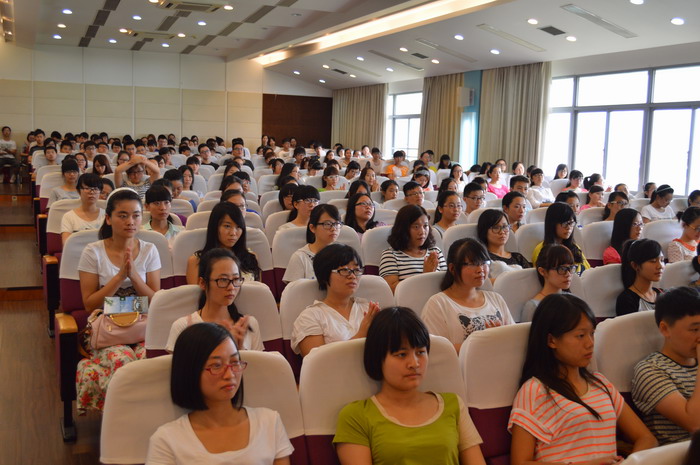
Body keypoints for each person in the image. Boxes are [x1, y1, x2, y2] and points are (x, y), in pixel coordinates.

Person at [509, 294, 657, 465]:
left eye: (592, 334)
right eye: (580, 336)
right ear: (551, 340)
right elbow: (519, 463)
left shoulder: (600, 383)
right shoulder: (535, 390)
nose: (590, 343)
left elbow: (647, 438)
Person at [333, 307, 486, 465]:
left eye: (420, 352)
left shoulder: (453, 404)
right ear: (378, 358)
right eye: (401, 354)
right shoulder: (356, 416)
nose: (414, 363)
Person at [147, 323, 293, 464]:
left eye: (235, 362)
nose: (229, 375)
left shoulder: (269, 422)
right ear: (189, 371)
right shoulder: (167, 440)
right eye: (216, 366)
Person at [76, 188, 161, 414]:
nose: (130, 221)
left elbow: (156, 300)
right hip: (108, 328)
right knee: (122, 361)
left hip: (143, 326)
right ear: (108, 218)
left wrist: (134, 276)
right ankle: (123, 420)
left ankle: (148, 416)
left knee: (150, 360)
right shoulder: (92, 252)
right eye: (122, 215)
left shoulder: (150, 250)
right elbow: (89, 304)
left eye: (135, 215)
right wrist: (120, 276)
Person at [631, 286, 700, 446]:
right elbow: (695, 424)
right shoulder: (650, 370)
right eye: (695, 329)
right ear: (665, 329)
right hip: (682, 454)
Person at [422, 238, 514, 353]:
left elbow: (513, 338)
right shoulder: (438, 304)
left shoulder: (496, 298)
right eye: (473, 264)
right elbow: (436, 350)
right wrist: (483, 342)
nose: (480, 269)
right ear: (452, 268)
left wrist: (500, 338)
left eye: (484, 263)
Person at [291, 244, 380, 357]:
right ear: (324, 274)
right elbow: (318, 363)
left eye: (356, 270)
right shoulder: (310, 317)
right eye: (344, 270)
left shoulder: (368, 308)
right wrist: (361, 335)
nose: (352, 276)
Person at [166, 249, 263, 353]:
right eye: (223, 280)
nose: (231, 287)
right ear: (203, 283)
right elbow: (181, 364)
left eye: (236, 279)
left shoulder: (248, 325)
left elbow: (257, 363)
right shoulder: (183, 327)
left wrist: (239, 350)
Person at [186, 203, 260, 284]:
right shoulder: (197, 261)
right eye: (227, 226)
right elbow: (196, 292)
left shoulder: (251, 258)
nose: (233, 233)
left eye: (238, 227)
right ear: (215, 227)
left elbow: (259, 289)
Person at [379, 205, 446, 292]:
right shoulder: (390, 255)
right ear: (403, 229)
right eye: (416, 226)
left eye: (425, 226)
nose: (422, 232)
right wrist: (425, 276)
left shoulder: (435, 252)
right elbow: (391, 290)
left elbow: (447, 284)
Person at [283, 204, 342, 283]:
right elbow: (294, 290)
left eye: (337, 224)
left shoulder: (344, 254)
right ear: (312, 228)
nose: (334, 229)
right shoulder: (300, 257)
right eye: (327, 224)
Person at [520, 245, 575, 322]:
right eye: (562, 269)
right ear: (542, 271)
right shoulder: (534, 307)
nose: (568, 274)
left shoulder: (573, 300)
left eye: (571, 268)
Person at [532, 202, 589, 275]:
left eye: (571, 223)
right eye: (565, 223)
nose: (569, 227)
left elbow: (587, 271)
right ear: (552, 224)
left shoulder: (574, 247)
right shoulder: (541, 250)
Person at [477, 209, 531, 280]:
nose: (502, 232)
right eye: (496, 228)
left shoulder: (517, 257)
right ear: (484, 231)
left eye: (505, 227)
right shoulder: (482, 258)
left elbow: (532, 278)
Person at [616, 239, 665, 316]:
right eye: (653, 261)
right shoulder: (627, 300)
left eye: (662, 260)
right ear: (635, 265)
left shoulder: (663, 294)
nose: (660, 266)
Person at [61, 173, 105, 245]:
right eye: (87, 188)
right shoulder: (68, 217)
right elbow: (67, 245)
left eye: (96, 189)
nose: (92, 192)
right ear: (79, 191)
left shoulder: (106, 216)